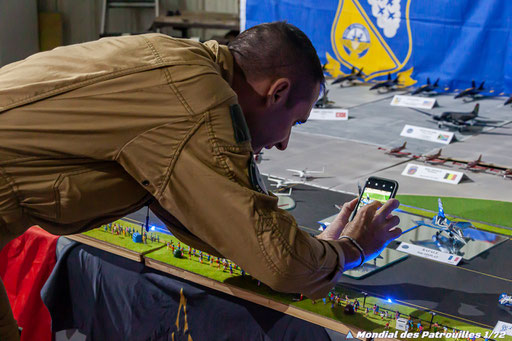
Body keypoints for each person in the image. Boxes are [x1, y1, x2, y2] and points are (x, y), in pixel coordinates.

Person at [0, 21, 401, 339]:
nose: (283, 144)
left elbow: (214, 224)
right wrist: (352, 248)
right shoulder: (197, 103)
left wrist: (309, 250)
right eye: (294, 122)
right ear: (276, 92)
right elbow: (279, 264)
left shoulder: (179, 59)